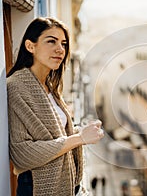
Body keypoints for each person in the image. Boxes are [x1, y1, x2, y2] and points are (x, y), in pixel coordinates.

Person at [6, 17, 105, 196]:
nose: (60, 49)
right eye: (51, 41)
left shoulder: (50, 87)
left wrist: (79, 131)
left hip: (67, 184)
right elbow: (22, 153)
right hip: (37, 186)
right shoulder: (16, 86)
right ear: (30, 46)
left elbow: (55, 136)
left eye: (64, 43)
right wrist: (80, 138)